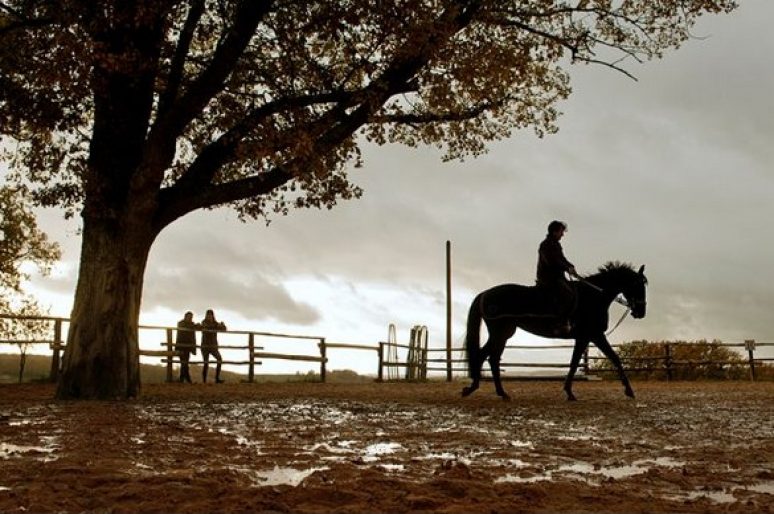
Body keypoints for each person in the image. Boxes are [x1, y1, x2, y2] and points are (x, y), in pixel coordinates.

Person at [536, 220, 578, 335]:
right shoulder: (546, 244)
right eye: (561, 231)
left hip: (557, 277)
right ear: (555, 231)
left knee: (574, 291)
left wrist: (570, 266)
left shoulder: (555, 244)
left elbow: (562, 259)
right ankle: (559, 323)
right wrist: (566, 267)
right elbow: (552, 261)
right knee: (567, 294)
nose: (562, 234)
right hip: (548, 278)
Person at [200, 309, 226, 383]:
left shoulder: (215, 323)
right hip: (205, 346)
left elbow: (223, 329)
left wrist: (222, 325)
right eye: (208, 315)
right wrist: (217, 326)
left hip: (213, 346)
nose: (209, 316)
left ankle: (217, 378)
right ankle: (204, 380)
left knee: (219, 360)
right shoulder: (204, 322)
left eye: (210, 315)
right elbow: (207, 327)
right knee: (206, 363)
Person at [175, 311, 198, 383]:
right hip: (181, 346)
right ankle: (187, 380)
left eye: (191, 317)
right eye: (189, 317)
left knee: (184, 363)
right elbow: (185, 327)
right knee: (184, 363)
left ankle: (182, 379)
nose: (190, 318)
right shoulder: (181, 323)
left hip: (188, 347)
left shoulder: (191, 324)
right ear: (185, 317)